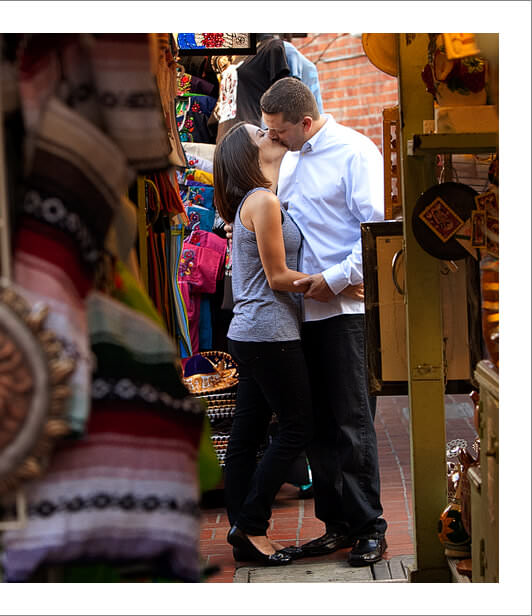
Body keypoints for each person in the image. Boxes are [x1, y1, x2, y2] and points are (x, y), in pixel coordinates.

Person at [212, 121, 363, 566]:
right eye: (260, 135)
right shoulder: (263, 201)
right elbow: (278, 278)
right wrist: (331, 283)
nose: (269, 134)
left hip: (252, 330)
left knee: (248, 432)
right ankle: (251, 524)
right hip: (269, 331)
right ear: (247, 155)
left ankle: (243, 526)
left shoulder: (255, 200)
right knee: (298, 426)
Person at [259, 76, 388, 566]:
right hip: (300, 314)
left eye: (279, 130)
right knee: (315, 426)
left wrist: (333, 280)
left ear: (306, 122)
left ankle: (370, 527)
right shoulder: (289, 158)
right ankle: (337, 525)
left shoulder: (356, 153)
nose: (272, 138)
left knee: (351, 421)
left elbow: (376, 232)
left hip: (343, 310)